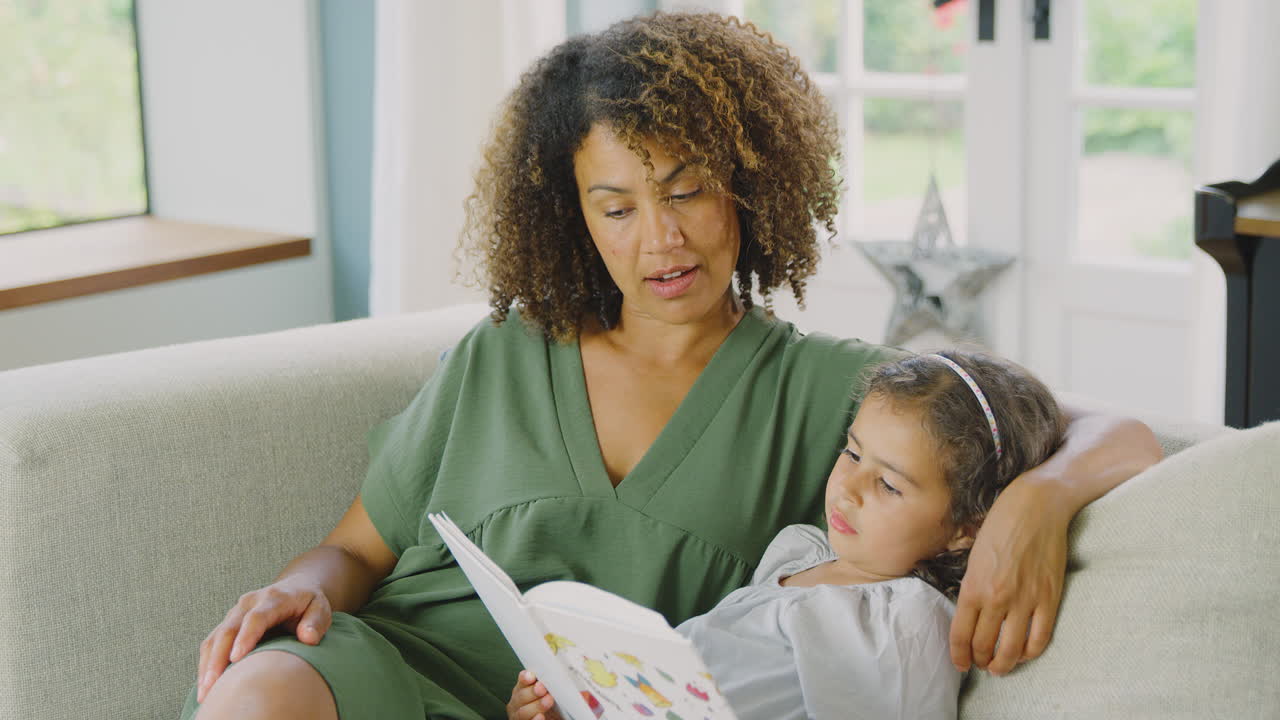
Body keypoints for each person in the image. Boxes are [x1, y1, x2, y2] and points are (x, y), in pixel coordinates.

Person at [183, 12, 1163, 720]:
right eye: (615, 207)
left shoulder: (824, 390)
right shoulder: (502, 353)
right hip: (390, 672)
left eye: (686, 190)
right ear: (573, 218)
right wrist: (297, 590)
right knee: (258, 696)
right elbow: (355, 553)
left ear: (746, 185)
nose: (660, 241)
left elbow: (1107, 429)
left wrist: (1038, 503)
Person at [506, 349, 1067, 720]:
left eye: (890, 486)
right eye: (851, 452)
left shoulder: (901, 622)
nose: (848, 489)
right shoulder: (803, 550)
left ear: (965, 528)